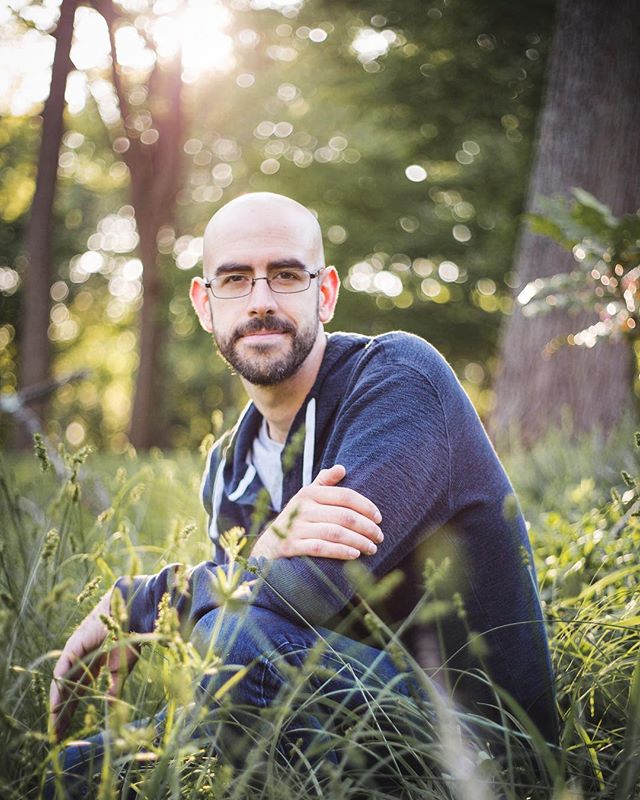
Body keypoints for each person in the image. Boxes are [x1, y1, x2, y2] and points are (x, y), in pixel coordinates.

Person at [48, 192, 557, 792]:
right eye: (235, 279)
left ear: (325, 292)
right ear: (204, 303)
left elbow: (310, 591)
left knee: (235, 640)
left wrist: (149, 600)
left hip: (485, 752)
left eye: (286, 275)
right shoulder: (226, 466)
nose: (261, 301)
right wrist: (259, 563)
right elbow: (251, 622)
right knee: (74, 770)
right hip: (327, 708)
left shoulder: (400, 379)